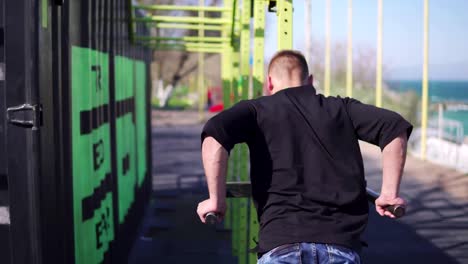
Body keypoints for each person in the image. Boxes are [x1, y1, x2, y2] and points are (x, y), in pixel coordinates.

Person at [197, 50, 412, 263]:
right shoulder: (342, 108)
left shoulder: (256, 110)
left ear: (269, 83)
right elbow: (393, 127)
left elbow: (214, 136)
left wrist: (216, 200)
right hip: (340, 245)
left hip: (280, 243)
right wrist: (389, 194)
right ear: (310, 81)